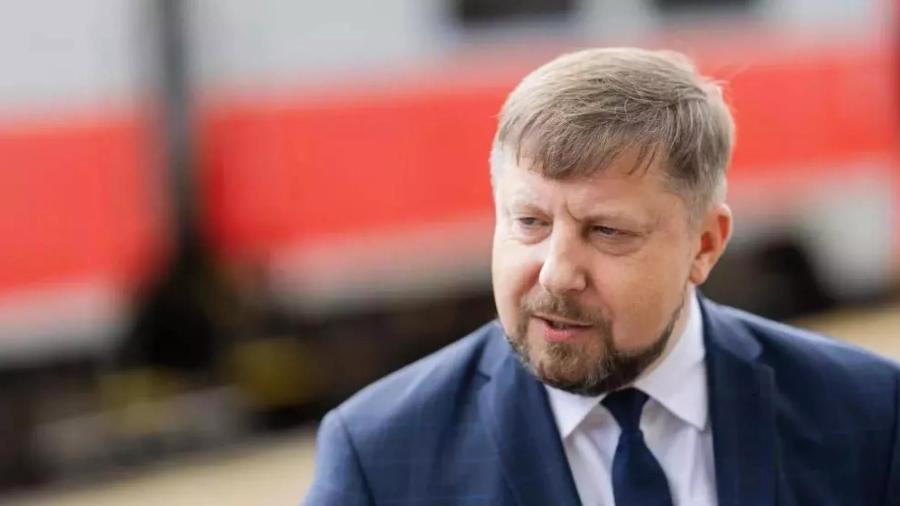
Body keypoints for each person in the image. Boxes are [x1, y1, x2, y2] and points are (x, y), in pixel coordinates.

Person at [304, 48, 900, 505]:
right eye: (530, 222)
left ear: (705, 244)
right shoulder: (379, 456)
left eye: (607, 232)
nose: (557, 274)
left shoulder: (870, 414)